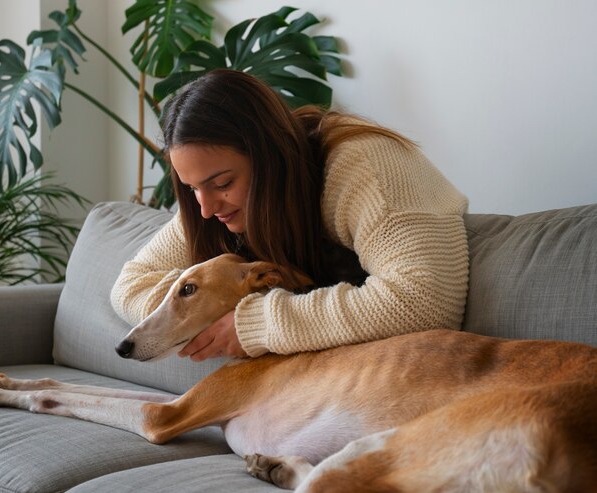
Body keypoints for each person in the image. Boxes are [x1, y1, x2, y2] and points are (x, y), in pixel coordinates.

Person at [111, 69, 469, 362]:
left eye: (222, 182)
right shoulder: (216, 205)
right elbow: (130, 285)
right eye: (192, 189)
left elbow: (424, 301)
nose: (205, 209)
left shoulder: (364, 167)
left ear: (270, 158)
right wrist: (192, 311)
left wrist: (255, 322)